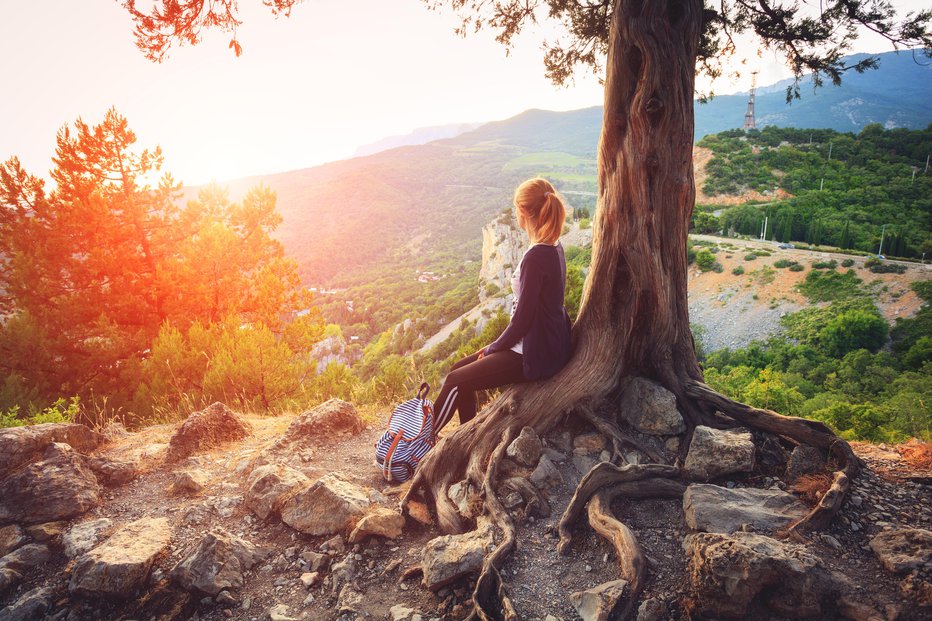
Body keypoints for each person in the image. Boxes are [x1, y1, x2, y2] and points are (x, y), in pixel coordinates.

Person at [433, 177, 573, 433]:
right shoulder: (554, 246)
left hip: (533, 352)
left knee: (455, 380)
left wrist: (495, 346)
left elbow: (523, 320)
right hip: (543, 343)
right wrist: (495, 346)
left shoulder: (536, 257)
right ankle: (467, 435)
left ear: (522, 212)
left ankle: (419, 442)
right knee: (458, 369)